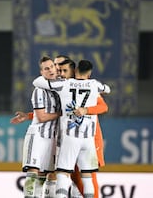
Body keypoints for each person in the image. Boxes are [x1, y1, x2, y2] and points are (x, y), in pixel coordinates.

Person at [33, 60, 111, 198]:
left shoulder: (65, 84)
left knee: (63, 173)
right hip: (88, 140)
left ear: (75, 71)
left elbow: (37, 82)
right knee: (88, 176)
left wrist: (48, 75)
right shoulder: (94, 84)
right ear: (90, 73)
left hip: (70, 137)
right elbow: (107, 89)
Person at [20, 56, 61, 198]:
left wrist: (28, 115)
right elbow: (42, 117)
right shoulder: (39, 90)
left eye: (51, 67)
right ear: (42, 72)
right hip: (38, 135)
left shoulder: (60, 89)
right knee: (33, 171)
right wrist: (61, 114)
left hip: (52, 137)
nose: (50, 70)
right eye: (46, 68)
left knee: (48, 174)